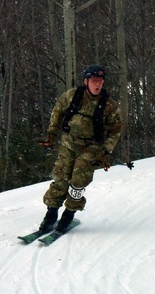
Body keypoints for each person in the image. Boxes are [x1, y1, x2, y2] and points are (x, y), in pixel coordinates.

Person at [37, 64, 129, 233]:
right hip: (69, 142)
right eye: (94, 81)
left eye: (100, 81)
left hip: (91, 146)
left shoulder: (108, 105)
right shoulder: (72, 96)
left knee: (78, 179)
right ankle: (51, 214)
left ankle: (69, 213)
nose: (98, 85)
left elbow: (115, 130)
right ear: (86, 81)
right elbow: (57, 113)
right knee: (61, 177)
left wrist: (105, 152)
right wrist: (51, 135)